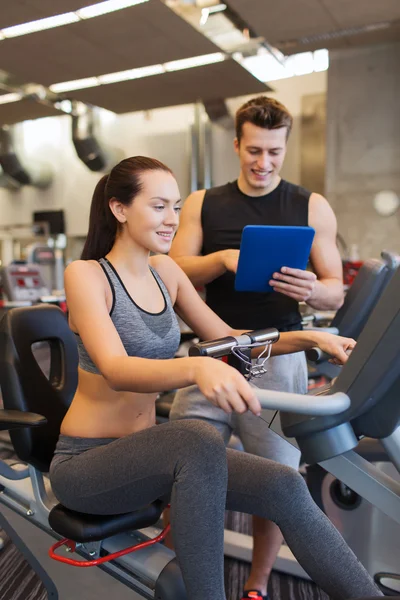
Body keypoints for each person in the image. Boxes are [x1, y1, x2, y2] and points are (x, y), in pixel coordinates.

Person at [48, 156, 380, 600]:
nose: (172, 220)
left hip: (149, 458)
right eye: (159, 206)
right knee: (196, 437)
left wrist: (307, 338)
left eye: (177, 207)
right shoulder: (86, 274)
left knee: (283, 482)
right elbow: (116, 368)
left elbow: (228, 338)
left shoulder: (166, 273)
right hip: (87, 466)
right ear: (119, 209)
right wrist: (196, 366)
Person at [169, 96, 344, 600]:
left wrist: (312, 288)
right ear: (236, 144)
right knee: (179, 464)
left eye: (273, 151)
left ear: (284, 146)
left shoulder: (311, 204)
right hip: (212, 356)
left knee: (276, 479)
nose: (263, 163)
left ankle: (258, 583)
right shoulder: (204, 202)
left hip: (279, 358)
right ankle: (182, 572)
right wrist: (223, 258)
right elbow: (176, 269)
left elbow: (336, 287)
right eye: (253, 151)